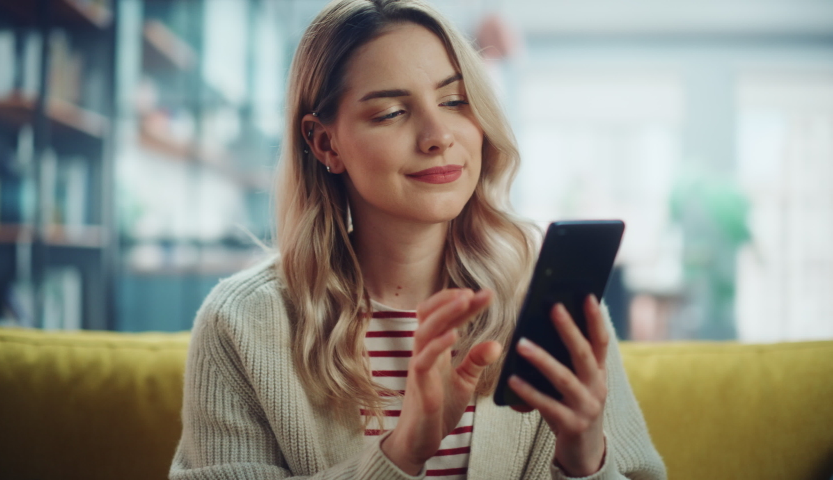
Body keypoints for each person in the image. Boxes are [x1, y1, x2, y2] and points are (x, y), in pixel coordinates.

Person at [170, 1, 667, 479]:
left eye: (455, 102)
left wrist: (586, 463)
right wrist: (400, 454)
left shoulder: (553, 307)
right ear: (326, 143)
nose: (438, 135)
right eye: (390, 113)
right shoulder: (240, 324)